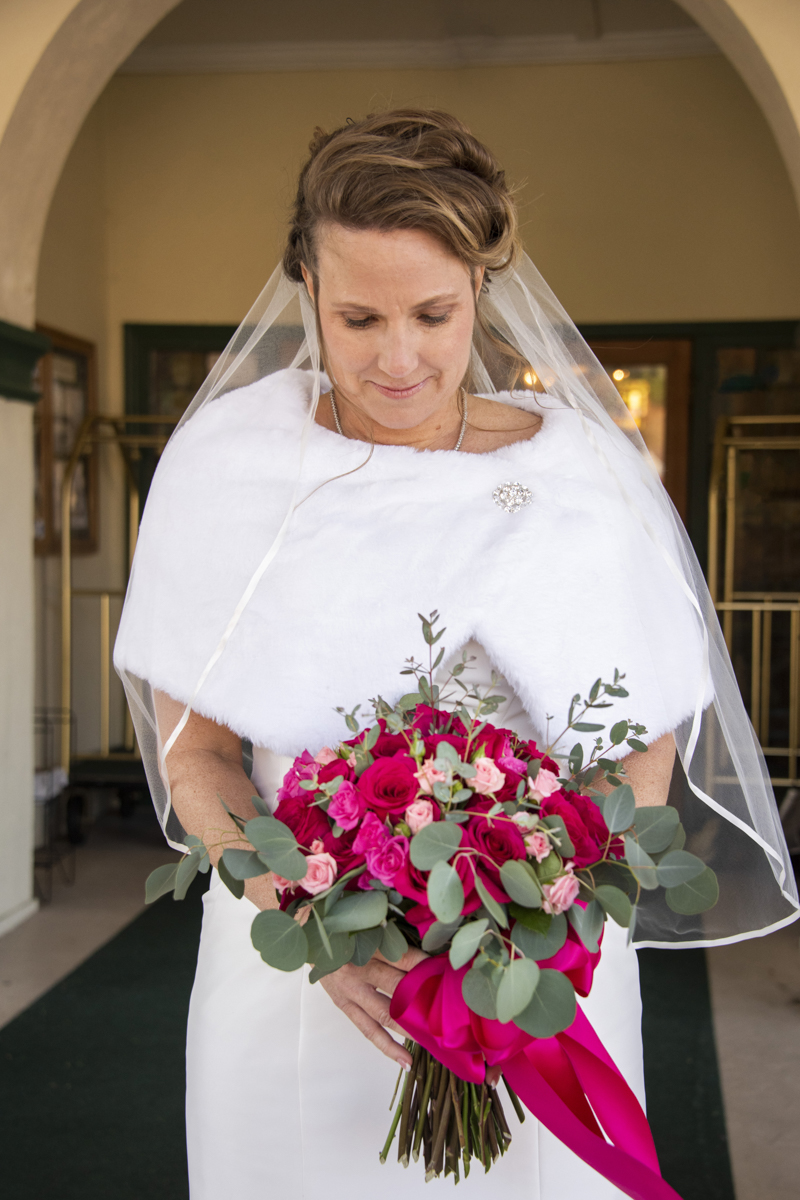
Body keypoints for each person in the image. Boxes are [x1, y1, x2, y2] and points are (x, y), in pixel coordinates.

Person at [114, 110, 798, 1199]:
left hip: (538, 963)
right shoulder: (225, 470)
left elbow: (638, 752)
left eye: (433, 314)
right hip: (302, 964)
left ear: (484, 284)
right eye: (358, 316)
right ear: (303, 285)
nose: (398, 358)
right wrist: (315, 925)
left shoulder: (581, 479)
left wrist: (551, 915)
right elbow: (196, 758)